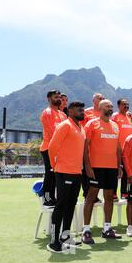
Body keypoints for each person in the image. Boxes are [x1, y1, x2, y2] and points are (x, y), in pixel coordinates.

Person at [46, 101, 86, 253]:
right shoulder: (65, 125)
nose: (82, 112)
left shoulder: (81, 128)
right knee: (61, 205)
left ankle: (65, 236)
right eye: (78, 110)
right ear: (70, 111)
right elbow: (52, 147)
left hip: (77, 173)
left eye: (82, 110)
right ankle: (55, 241)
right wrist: (54, 166)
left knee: (71, 205)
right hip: (64, 172)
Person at [82, 99, 123, 244]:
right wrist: (87, 166)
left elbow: (118, 149)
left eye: (112, 106)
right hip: (95, 167)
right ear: (100, 108)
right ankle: (86, 230)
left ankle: (107, 229)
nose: (110, 108)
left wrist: (119, 166)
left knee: (109, 197)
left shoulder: (115, 126)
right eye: (107, 106)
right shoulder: (92, 124)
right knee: (91, 197)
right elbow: (85, 147)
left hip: (111, 168)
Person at [40, 90, 67, 207]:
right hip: (48, 148)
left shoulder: (63, 115)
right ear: (49, 98)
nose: (59, 99)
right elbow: (52, 133)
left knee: (57, 175)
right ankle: (47, 198)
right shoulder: (47, 113)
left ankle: (53, 197)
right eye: (56, 97)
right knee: (50, 173)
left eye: (59, 97)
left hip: (60, 150)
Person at [112, 98, 132, 199]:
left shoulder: (130, 117)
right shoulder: (115, 116)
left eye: (127, 104)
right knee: (116, 171)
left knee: (126, 170)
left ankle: (124, 192)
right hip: (116, 149)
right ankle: (113, 193)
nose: (126, 106)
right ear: (118, 106)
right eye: (124, 104)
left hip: (127, 150)